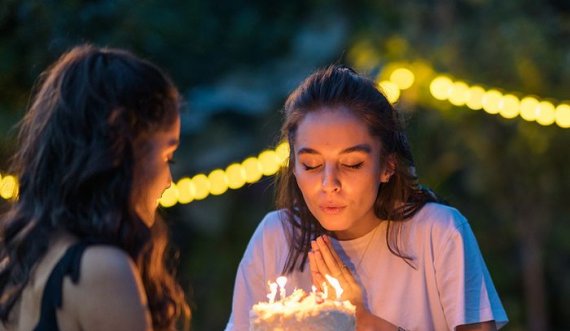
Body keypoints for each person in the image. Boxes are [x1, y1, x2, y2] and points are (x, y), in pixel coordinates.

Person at [226, 65, 508, 331]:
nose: (329, 184)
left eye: (352, 164)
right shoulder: (275, 237)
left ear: (387, 165)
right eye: (311, 165)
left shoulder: (439, 233)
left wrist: (361, 319)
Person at [0, 45, 190, 331]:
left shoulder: (21, 264)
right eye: (167, 156)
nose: (169, 182)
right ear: (123, 145)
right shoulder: (101, 269)